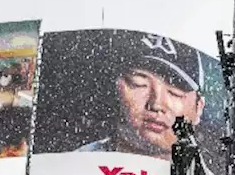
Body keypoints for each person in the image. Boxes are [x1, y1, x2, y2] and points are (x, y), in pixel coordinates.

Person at [79, 34, 208, 160]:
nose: (156, 104)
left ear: (198, 108)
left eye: (175, 92)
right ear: (114, 89)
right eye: (139, 84)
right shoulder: (76, 168)